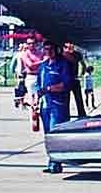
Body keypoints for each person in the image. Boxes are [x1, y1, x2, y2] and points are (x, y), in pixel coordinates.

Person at [36, 42, 73, 173]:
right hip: (44, 105)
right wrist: (35, 98)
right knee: (47, 134)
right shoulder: (43, 66)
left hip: (58, 104)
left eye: (51, 49)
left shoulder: (63, 65)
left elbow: (66, 84)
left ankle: (56, 163)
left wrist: (50, 89)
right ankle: (52, 160)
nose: (48, 51)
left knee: (54, 132)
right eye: (46, 49)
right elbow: (37, 84)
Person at [63, 42, 87, 119]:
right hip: (65, 79)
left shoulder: (77, 54)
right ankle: (66, 115)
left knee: (79, 98)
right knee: (66, 99)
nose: (70, 46)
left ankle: (82, 114)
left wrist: (81, 75)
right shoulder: (63, 54)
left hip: (74, 78)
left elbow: (83, 65)